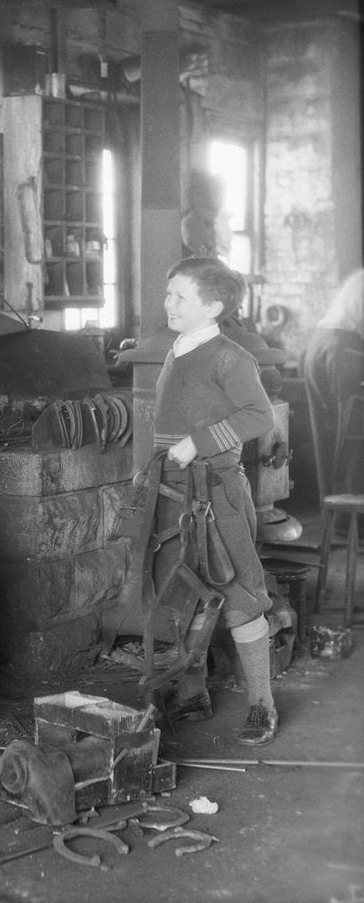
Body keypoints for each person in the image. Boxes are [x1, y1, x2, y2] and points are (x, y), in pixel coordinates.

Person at [147, 256, 278, 745]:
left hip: (217, 492)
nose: (169, 304)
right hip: (173, 493)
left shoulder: (231, 357)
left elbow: (259, 417)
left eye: (181, 296)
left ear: (214, 307)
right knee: (183, 592)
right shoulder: (177, 348)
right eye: (168, 294)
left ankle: (262, 705)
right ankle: (194, 692)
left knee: (239, 593)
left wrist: (199, 442)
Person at [302, 268, 364, 506]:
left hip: (319, 344)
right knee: (354, 438)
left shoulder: (358, 276)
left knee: (326, 434)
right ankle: (353, 522)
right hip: (345, 351)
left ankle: (335, 517)